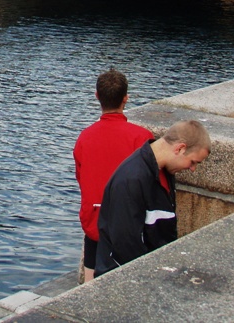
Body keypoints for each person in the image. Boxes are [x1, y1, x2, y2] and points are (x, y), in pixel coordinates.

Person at [94, 120, 211, 277]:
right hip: (123, 278)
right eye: (193, 162)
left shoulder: (164, 172)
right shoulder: (131, 179)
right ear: (180, 148)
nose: (192, 169)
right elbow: (125, 244)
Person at [73, 69, 153, 284]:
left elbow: (81, 178)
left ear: (97, 96)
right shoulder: (141, 138)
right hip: (128, 225)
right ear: (126, 99)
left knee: (89, 284)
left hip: (95, 221)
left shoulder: (85, 137)